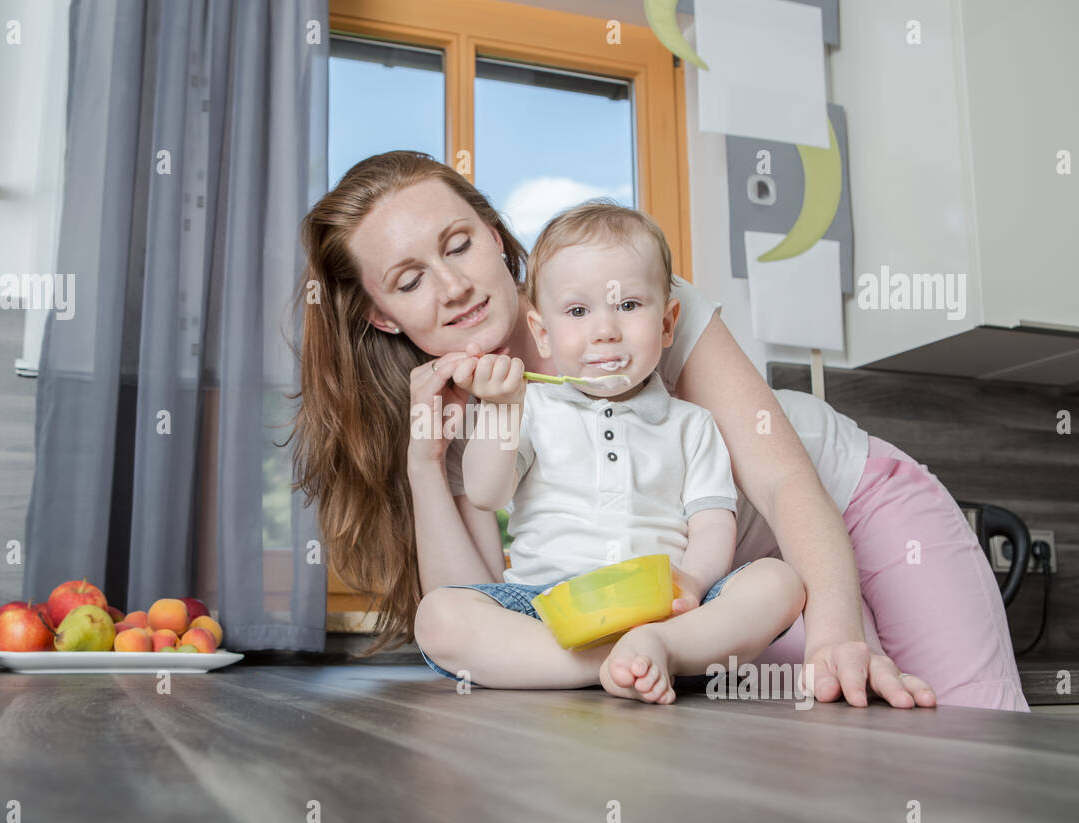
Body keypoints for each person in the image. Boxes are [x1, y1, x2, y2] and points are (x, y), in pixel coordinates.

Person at [290, 149, 1029, 712]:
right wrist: (425, 463)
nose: (451, 287)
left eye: (457, 245)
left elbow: (779, 477)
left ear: (493, 236)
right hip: (709, 603)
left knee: (971, 733)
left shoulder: (626, 299)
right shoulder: (458, 412)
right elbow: (475, 610)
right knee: (847, 772)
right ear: (380, 314)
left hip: (849, 508)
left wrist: (838, 631)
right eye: (409, 279)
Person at [426, 201, 806, 703]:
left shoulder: (692, 424)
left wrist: (692, 582)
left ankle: (659, 646)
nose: (605, 329)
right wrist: (498, 410)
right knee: (437, 617)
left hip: (664, 606)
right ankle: (618, 662)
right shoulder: (528, 407)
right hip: (546, 606)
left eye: (628, 305)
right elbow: (484, 492)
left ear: (667, 323)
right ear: (542, 333)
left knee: (778, 581)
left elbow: (712, 522)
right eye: (578, 311)